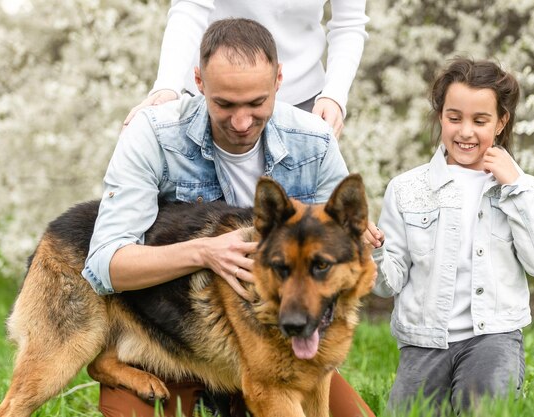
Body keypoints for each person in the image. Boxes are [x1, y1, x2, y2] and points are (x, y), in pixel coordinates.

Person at [83, 17, 375, 417]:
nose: (241, 122)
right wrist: (203, 252)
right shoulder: (151, 134)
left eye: (256, 103)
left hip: (278, 333)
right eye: (225, 104)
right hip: (173, 337)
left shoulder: (315, 142)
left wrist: (366, 245)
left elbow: (359, 263)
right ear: (199, 82)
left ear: (279, 81)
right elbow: (102, 266)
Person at [364, 58, 534, 415]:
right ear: (440, 116)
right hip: (424, 341)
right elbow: (387, 284)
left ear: (501, 122)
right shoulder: (407, 189)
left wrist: (514, 187)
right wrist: (372, 251)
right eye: (455, 118)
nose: (465, 132)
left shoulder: (525, 189)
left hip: (493, 337)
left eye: (480, 121)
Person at [123, 0, 369, 138]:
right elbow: (190, 7)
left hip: (304, 103)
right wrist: (167, 86)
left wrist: (334, 97)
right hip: (216, 96)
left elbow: (348, 25)